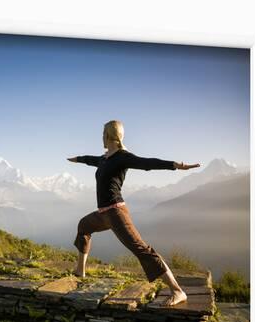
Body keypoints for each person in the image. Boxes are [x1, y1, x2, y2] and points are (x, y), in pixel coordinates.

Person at [67, 120, 200, 306]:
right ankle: (80, 270)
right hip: (103, 214)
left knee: (141, 250)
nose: (101, 138)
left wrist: (175, 165)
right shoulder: (105, 159)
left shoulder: (122, 157)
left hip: (116, 213)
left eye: (103, 134)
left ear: (109, 136)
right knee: (83, 226)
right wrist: (78, 159)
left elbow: (147, 163)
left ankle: (178, 291)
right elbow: (91, 160)